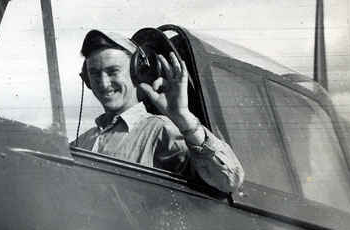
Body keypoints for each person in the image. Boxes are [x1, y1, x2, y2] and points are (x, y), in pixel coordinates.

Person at [74, 29, 244, 193]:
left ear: (138, 72)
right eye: (94, 73)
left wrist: (183, 116)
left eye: (113, 72)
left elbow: (229, 180)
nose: (103, 83)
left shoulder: (160, 130)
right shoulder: (82, 142)